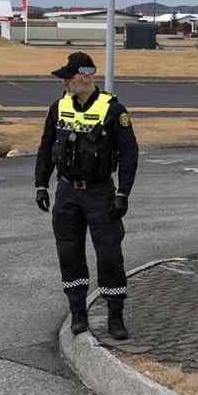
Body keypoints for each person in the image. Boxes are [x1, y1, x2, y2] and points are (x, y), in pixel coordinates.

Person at [34, 51, 138, 339]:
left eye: (70, 76)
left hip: (100, 193)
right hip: (67, 192)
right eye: (65, 77)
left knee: (109, 255)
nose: (66, 81)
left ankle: (115, 317)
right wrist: (41, 184)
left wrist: (123, 193)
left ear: (87, 75)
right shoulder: (58, 107)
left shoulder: (113, 110)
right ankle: (78, 313)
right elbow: (45, 146)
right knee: (69, 254)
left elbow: (129, 153)